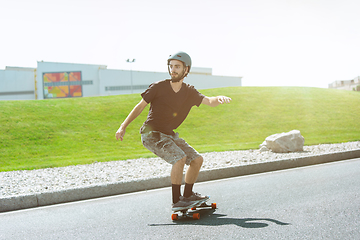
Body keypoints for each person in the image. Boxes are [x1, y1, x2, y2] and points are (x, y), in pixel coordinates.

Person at [115, 52, 232, 211]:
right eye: (171, 66)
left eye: (177, 66)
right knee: (180, 158)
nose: (173, 70)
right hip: (152, 134)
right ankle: (177, 201)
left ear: (186, 69)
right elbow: (140, 106)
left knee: (197, 160)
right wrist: (123, 126)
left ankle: (188, 195)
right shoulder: (158, 87)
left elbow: (209, 102)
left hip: (168, 135)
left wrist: (218, 98)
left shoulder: (189, 91)